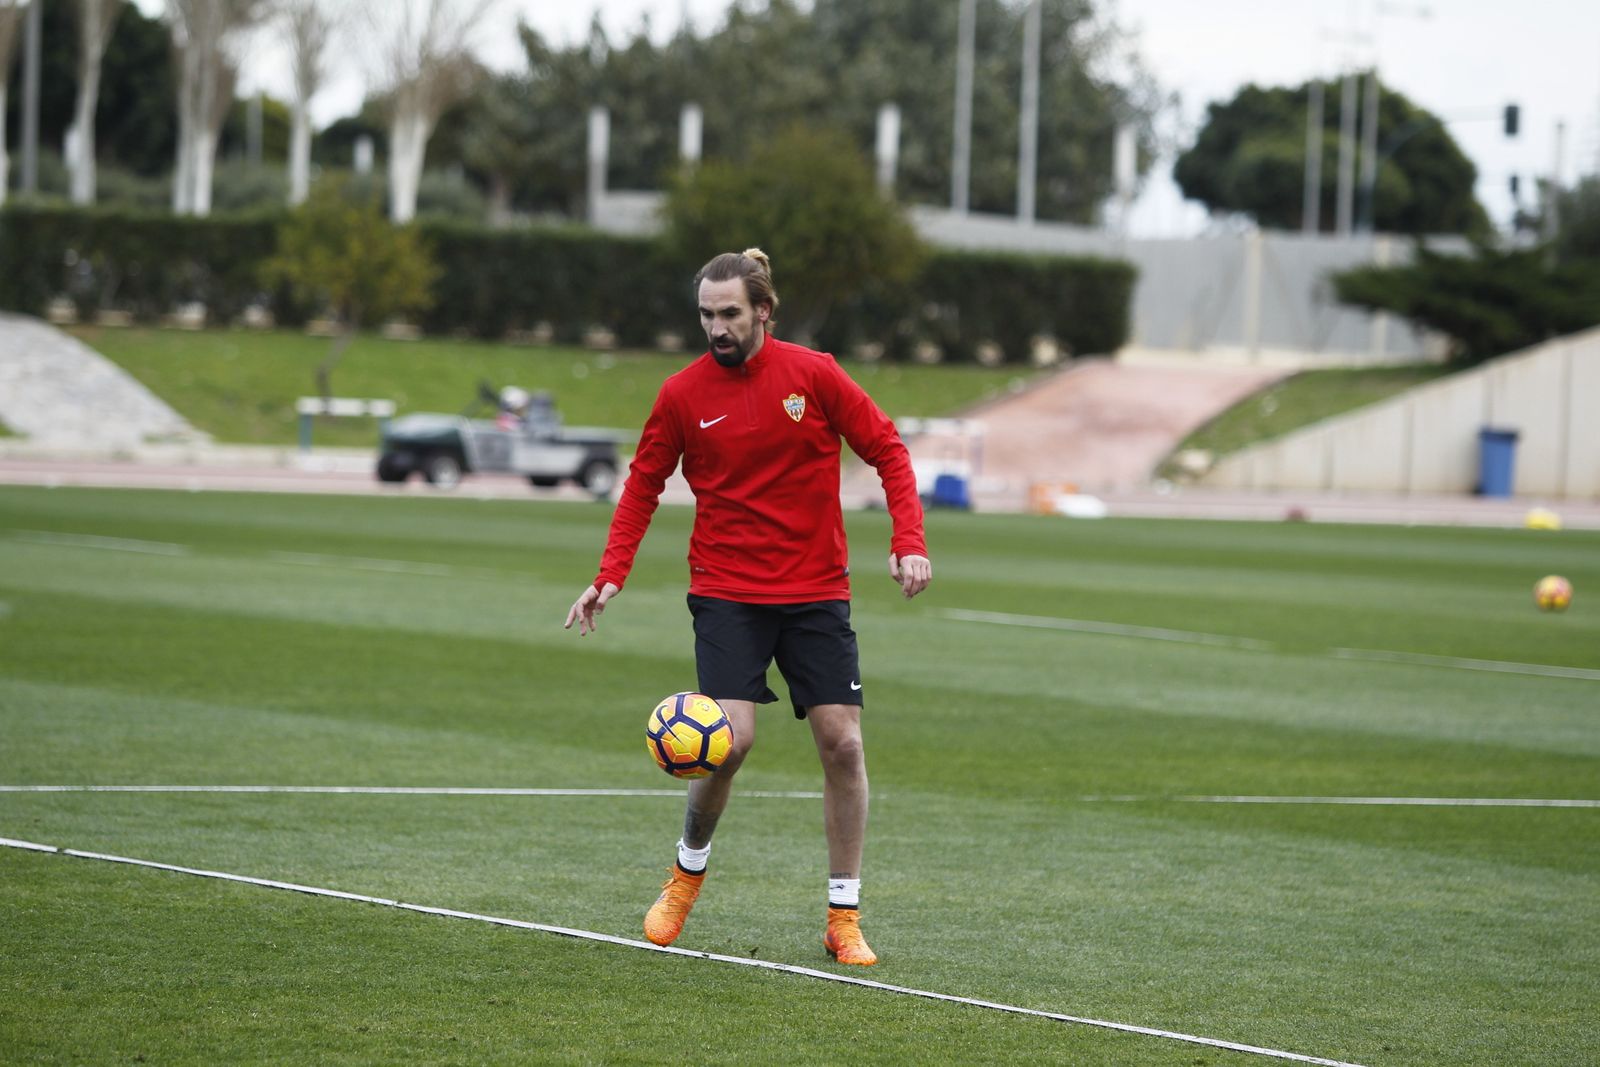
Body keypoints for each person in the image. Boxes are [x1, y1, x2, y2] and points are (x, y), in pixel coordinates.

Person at [564, 248, 931, 966]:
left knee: (845, 744)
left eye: (729, 313)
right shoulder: (681, 394)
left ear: (764, 309)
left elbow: (888, 449)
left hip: (818, 589)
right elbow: (643, 482)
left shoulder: (814, 375)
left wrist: (908, 539)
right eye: (707, 314)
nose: (717, 327)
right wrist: (611, 574)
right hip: (728, 590)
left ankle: (843, 917)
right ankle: (685, 873)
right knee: (727, 741)